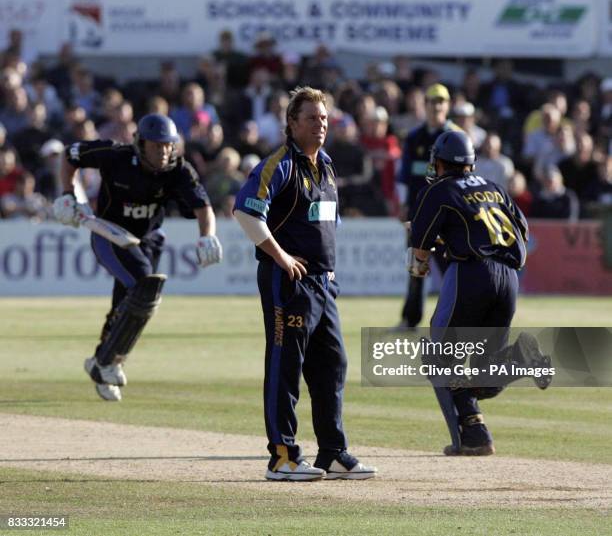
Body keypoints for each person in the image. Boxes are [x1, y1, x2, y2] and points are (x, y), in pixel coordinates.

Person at [233, 86, 377, 481]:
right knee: (286, 365)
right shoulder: (279, 164)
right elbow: (245, 212)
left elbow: (327, 221)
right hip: (289, 282)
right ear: (292, 123)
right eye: (312, 118)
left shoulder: (326, 165)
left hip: (323, 285)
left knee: (332, 364)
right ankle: (282, 456)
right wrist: (280, 256)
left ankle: (332, 452)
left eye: (325, 119)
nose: (321, 126)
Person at [52, 114, 222, 402]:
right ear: (140, 144)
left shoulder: (179, 169)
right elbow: (70, 156)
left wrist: (207, 235)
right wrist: (69, 194)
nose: (163, 152)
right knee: (144, 286)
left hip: (149, 239)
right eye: (156, 146)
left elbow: (203, 207)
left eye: (168, 146)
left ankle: (103, 362)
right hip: (109, 233)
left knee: (130, 303)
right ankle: (107, 363)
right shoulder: (115, 155)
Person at [408, 130, 550, 455]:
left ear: (440, 161)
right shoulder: (494, 186)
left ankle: (471, 432)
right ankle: (479, 428)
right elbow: (523, 230)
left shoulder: (440, 189)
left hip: (472, 273)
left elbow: (420, 245)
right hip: (509, 278)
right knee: (487, 371)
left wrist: (421, 261)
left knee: (440, 359)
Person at [396, 83, 460, 330]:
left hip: (447, 214)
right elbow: (405, 175)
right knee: (416, 270)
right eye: (432, 101)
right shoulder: (414, 138)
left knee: (450, 270)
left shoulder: (454, 136)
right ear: (425, 105)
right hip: (419, 212)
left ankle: (454, 321)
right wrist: (403, 204)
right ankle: (410, 320)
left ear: (447, 104)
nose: (437, 106)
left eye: (441, 101)